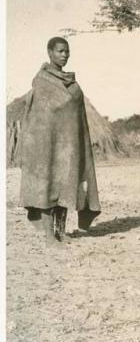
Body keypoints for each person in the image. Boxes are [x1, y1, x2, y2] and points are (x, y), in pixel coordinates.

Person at [19, 37, 101, 245]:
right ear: (49, 53)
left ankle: (60, 231)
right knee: (47, 185)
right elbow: (38, 118)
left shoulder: (73, 85)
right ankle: (48, 236)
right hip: (46, 147)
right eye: (60, 51)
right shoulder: (43, 82)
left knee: (66, 185)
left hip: (69, 147)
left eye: (67, 51)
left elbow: (76, 118)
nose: (64, 55)